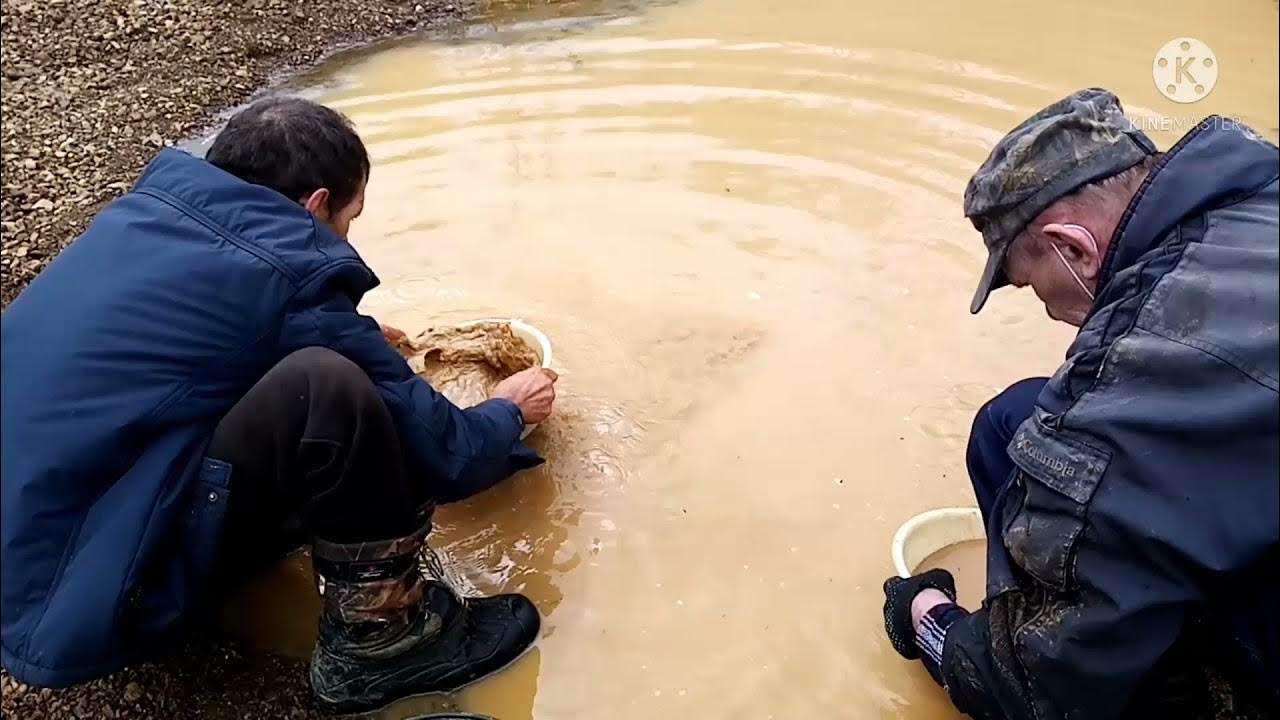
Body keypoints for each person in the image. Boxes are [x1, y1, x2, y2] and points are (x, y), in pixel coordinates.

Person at [1, 97, 559, 714]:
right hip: (70, 602)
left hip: (26, 547)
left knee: (316, 373)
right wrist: (510, 409)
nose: (347, 235)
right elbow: (451, 455)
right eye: (351, 216)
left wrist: (348, 329)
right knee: (328, 386)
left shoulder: (144, 219)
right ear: (317, 205)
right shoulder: (291, 275)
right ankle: (382, 645)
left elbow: (204, 348)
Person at [882, 88, 1279, 719]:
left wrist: (929, 620)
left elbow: (1031, 693)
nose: (1044, 307)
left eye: (1026, 283)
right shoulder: (1257, 195)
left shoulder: (1140, 371)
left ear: (1073, 249)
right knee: (1012, 423)